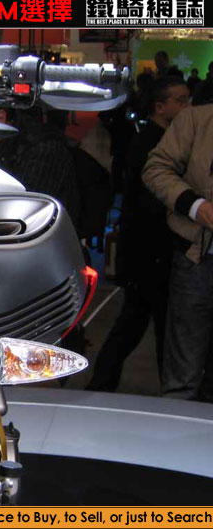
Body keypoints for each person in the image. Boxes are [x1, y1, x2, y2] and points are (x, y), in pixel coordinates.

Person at [87, 77, 189, 392]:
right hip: (148, 250)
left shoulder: (158, 139)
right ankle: (164, 387)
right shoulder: (152, 143)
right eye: (180, 100)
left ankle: (107, 383)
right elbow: (146, 202)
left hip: (149, 249)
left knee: (141, 321)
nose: (186, 106)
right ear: (160, 107)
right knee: (142, 320)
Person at [142, 96, 213, 401]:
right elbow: (156, 168)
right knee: (184, 373)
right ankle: (177, 424)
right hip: (198, 259)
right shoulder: (196, 120)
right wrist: (196, 206)